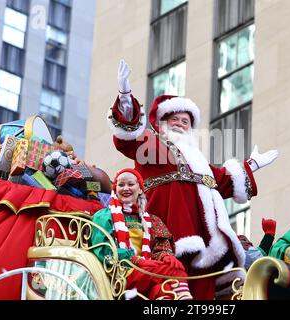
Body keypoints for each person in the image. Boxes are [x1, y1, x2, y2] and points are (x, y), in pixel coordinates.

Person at [107, 60, 278, 299]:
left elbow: (224, 180)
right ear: (162, 124)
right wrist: (125, 97)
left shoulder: (198, 161)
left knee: (203, 284)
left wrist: (253, 164)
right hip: (166, 220)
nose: (179, 124)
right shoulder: (151, 144)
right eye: (173, 119)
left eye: (185, 121)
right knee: (170, 276)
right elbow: (126, 137)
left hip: (204, 231)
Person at [91, 168, 192, 300]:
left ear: (139, 189)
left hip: (146, 275)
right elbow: (104, 251)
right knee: (176, 271)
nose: (125, 188)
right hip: (119, 275)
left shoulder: (151, 220)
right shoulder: (103, 216)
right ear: (115, 190)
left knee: (164, 290)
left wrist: (166, 256)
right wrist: (135, 260)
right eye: (121, 185)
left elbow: (160, 247)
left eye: (130, 184)